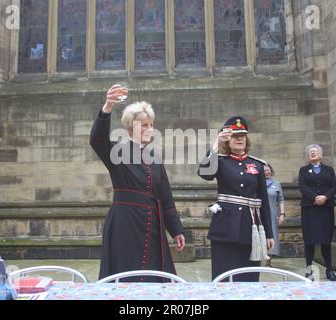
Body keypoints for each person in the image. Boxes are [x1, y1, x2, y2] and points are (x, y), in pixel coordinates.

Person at [90, 84, 185, 282]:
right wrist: (108, 106)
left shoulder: (154, 158)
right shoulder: (117, 152)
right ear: (130, 127)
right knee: (126, 277)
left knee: (153, 279)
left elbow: (166, 199)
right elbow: (97, 140)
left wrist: (176, 230)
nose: (150, 129)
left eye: (151, 125)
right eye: (144, 125)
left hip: (153, 225)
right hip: (125, 224)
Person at [198, 116, 274, 282]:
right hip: (225, 228)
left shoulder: (258, 165)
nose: (239, 138)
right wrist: (215, 145)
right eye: (234, 136)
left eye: (242, 135)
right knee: (223, 277)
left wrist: (269, 233)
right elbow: (204, 173)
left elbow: (264, 202)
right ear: (227, 140)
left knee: (249, 278)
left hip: (251, 228)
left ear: (246, 139)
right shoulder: (220, 161)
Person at [299, 144, 336, 281]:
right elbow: (302, 186)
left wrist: (325, 197)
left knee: (326, 240)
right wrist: (314, 198)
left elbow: (334, 186)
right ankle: (309, 271)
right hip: (310, 209)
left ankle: (329, 270)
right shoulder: (303, 170)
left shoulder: (329, 170)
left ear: (320, 155)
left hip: (326, 209)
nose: (312, 153)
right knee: (309, 240)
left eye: (315, 152)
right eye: (310, 152)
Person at [264, 164, 285, 267]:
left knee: (271, 235)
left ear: (271, 171)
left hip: (272, 214)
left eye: (268, 170)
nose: (266, 172)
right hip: (259, 213)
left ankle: (268, 260)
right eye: (264, 170)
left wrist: (282, 214)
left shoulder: (276, 183)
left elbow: (281, 199)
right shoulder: (258, 183)